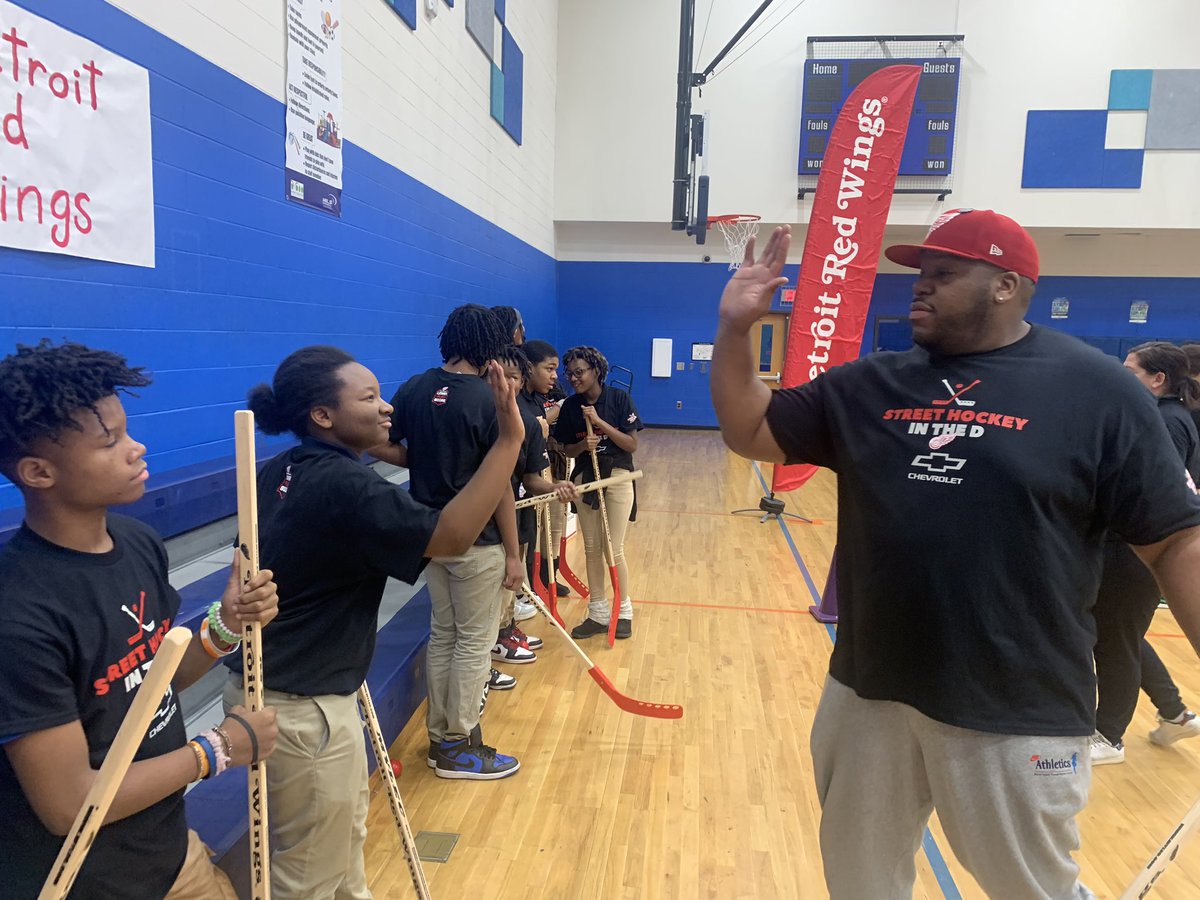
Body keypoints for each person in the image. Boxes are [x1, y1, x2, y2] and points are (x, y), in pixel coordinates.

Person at [709, 210, 1200, 899]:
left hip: (1013, 702)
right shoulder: (872, 383)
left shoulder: (1096, 391)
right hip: (869, 690)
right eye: (919, 274)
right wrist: (735, 328)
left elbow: (1175, 535)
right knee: (860, 882)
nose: (920, 287)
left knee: (1030, 889)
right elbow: (751, 426)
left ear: (1006, 285)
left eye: (943, 274)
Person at [231, 342, 522, 896]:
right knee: (309, 878)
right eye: (368, 397)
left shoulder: (283, 470)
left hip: (298, 692)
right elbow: (453, 537)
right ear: (323, 416)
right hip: (301, 706)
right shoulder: (346, 485)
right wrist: (509, 441)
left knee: (342, 855)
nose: (387, 407)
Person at [0, 340, 280, 900]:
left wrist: (225, 626)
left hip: (170, 852)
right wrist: (215, 750)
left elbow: (153, 681)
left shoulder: (135, 542)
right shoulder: (19, 615)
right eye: (111, 442)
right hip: (81, 880)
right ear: (38, 471)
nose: (137, 448)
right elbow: (69, 805)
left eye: (127, 431)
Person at [373, 305, 525, 782]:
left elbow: (387, 447)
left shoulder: (415, 388)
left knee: (445, 636)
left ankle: (443, 736)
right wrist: (516, 554)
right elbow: (498, 483)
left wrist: (427, 458)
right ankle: (456, 744)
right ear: (486, 348)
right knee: (474, 644)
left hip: (431, 539)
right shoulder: (487, 398)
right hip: (478, 544)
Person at [1092, 341, 1200, 764]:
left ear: (1158, 380)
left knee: (1113, 641)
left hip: (1136, 549)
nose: (1122, 375)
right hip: (1127, 548)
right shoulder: (1161, 415)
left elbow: (1155, 493)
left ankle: (1109, 736)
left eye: (1131, 370)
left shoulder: (1166, 421)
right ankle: (1174, 711)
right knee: (1123, 634)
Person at [490, 345, 577, 665]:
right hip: (489, 515)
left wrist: (554, 486)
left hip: (520, 498)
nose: (509, 384)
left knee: (520, 554)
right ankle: (496, 637)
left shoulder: (527, 413)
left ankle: (506, 626)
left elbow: (529, 476)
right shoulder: (509, 415)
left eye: (515, 377)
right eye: (549, 369)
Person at [554, 346, 643, 640]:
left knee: (612, 548)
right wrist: (583, 446)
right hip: (586, 478)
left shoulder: (618, 399)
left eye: (579, 372)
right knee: (591, 548)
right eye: (570, 373)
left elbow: (631, 445)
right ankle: (597, 612)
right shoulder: (569, 407)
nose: (574, 378)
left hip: (617, 475)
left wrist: (601, 423)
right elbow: (566, 448)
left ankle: (625, 610)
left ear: (596, 371)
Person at [524, 339, 571, 601]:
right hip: (527, 471)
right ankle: (530, 582)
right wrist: (548, 416)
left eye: (556, 369)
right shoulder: (522, 400)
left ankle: (549, 572)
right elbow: (537, 423)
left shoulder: (549, 391)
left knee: (554, 518)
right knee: (531, 527)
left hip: (551, 459)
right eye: (549, 369)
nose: (555, 376)